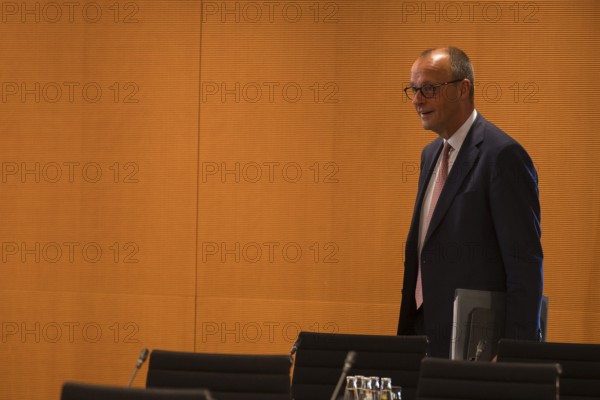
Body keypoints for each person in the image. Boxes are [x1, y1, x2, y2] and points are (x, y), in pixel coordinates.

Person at [397, 47, 543, 358]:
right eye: (413, 89)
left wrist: (515, 354)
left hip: (474, 345)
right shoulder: (430, 155)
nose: (417, 99)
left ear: (463, 88)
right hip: (421, 335)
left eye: (428, 89)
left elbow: (525, 266)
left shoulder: (503, 157)